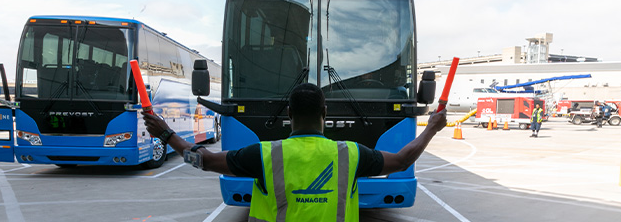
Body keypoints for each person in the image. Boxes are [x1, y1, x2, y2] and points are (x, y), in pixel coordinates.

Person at [141, 83, 448, 221]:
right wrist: (432, 127)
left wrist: (166, 133)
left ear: (288, 114)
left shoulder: (263, 154)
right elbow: (404, 160)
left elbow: (201, 160)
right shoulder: (351, 154)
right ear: (324, 113)